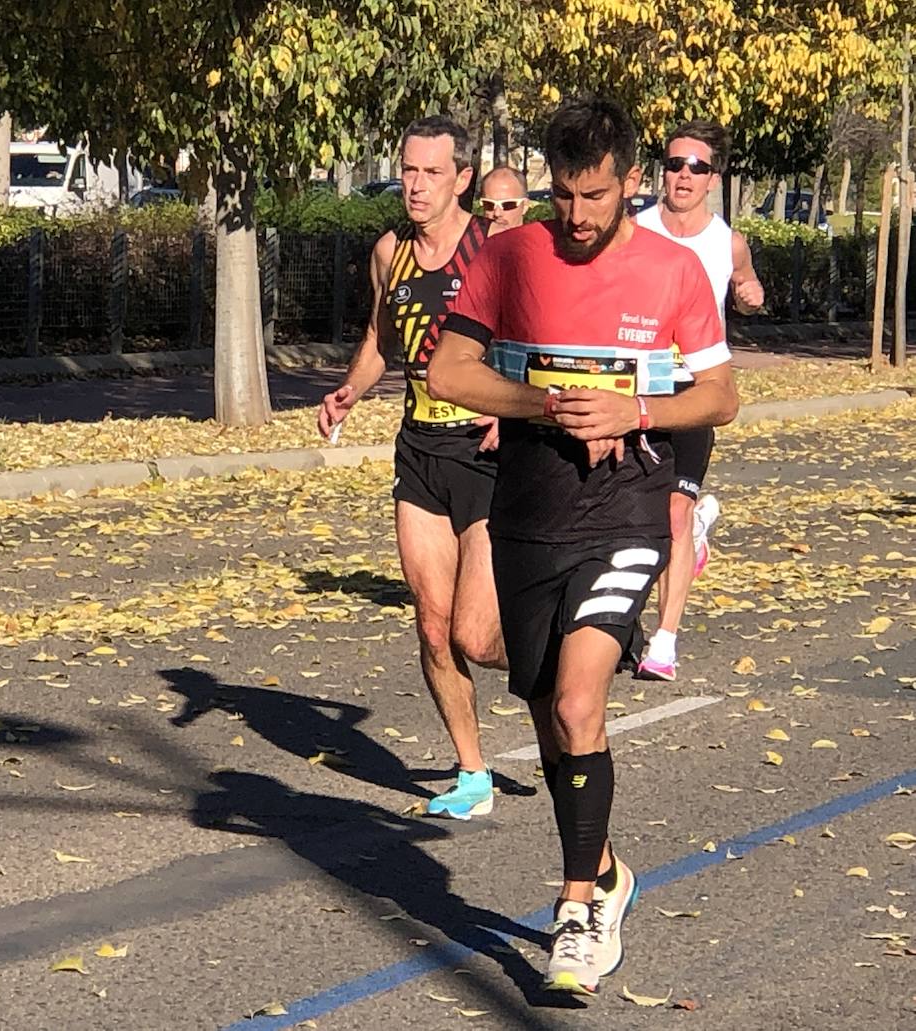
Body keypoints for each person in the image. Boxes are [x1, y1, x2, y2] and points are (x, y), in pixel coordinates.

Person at [428, 97, 737, 995]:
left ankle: (577, 913)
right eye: (563, 194)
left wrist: (635, 410)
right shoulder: (511, 252)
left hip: (628, 511)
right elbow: (449, 371)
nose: (576, 215)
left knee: (575, 701)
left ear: (630, 182)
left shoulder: (674, 269)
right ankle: (605, 869)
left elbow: (718, 397)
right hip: (530, 507)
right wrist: (550, 403)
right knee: (541, 703)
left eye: (594, 195)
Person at [316, 115, 505, 820]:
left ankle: (564, 656)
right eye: (409, 170)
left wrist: (507, 403)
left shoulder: (494, 250)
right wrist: (350, 390)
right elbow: (380, 338)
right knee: (432, 625)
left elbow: (532, 334)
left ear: (463, 179)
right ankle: (473, 772)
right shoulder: (389, 252)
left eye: (432, 172)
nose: (416, 185)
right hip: (420, 449)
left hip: (486, 454)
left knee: (477, 636)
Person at [633, 120, 764, 681]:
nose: (683, 174)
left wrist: (751, 296)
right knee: (629, 515)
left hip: (694, 389)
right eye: (674, 163)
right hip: (634, 385)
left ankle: (663, 641)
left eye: (697, 166)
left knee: (673, 512)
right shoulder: (633, 229)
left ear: (714, 177)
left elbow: (746, 284)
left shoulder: (726, 241)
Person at [477, 166, 529, 234]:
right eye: (489, 204)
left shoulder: (540, 243)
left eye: (507, 204)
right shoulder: (471, 243)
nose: (497, 213)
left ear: (525, 206)